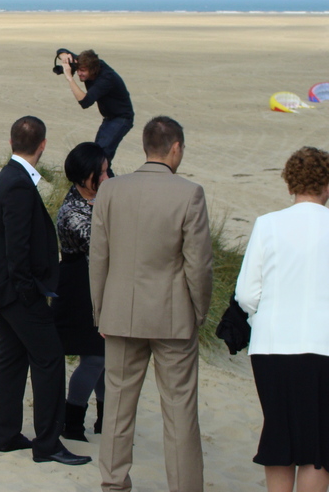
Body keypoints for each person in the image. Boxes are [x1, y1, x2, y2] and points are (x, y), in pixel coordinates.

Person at [89, 116, 213, 492]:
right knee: (179, 412)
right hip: (172, 316)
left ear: (145, 147)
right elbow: (199, 265)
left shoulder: (111, 191)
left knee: (118, 409)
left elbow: (99, 258)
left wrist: (100, 311)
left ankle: (113, 483)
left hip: (121, 312)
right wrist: (199, 311)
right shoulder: (189, 193)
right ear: (175, 148)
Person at [0, 116, 91, 467]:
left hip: (3, 290)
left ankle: (6, 435)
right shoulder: (18, 184)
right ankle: (48, 443)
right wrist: (29, 295)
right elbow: (17, 250)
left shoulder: (10, 177)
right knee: (49, 358)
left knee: (12, 358)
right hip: (15, 292)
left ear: (11, 143)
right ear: (43, 146)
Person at [235, 146, 329, 492]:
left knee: (278, 434)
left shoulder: (268, 224)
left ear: (290, 184)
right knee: (317, 447)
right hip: (322, 345)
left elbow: (246, 294)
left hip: (271, 346)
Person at [52, 142, 109, 443]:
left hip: (100, 286)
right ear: (85, 175)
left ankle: (106, 420)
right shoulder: (71, 211)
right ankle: (73, 421)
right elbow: (101, 244)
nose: (106, 175)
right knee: (96, 358)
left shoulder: (100, 198)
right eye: (100, 171)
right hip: (79, 289)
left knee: (104, 357)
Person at [59, 49, 134, 174]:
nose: (79, 74)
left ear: (93, 70)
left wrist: (69, 78)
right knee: (98, 157)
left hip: (121, 118)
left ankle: (108, 189)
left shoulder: (106, 79)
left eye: (82, 71)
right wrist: (65, 57)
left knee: (100, 160)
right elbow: (61, 50)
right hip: (109, 118)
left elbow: (85, 102)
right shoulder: (86, 62)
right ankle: (103, 187)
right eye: (78, 70)